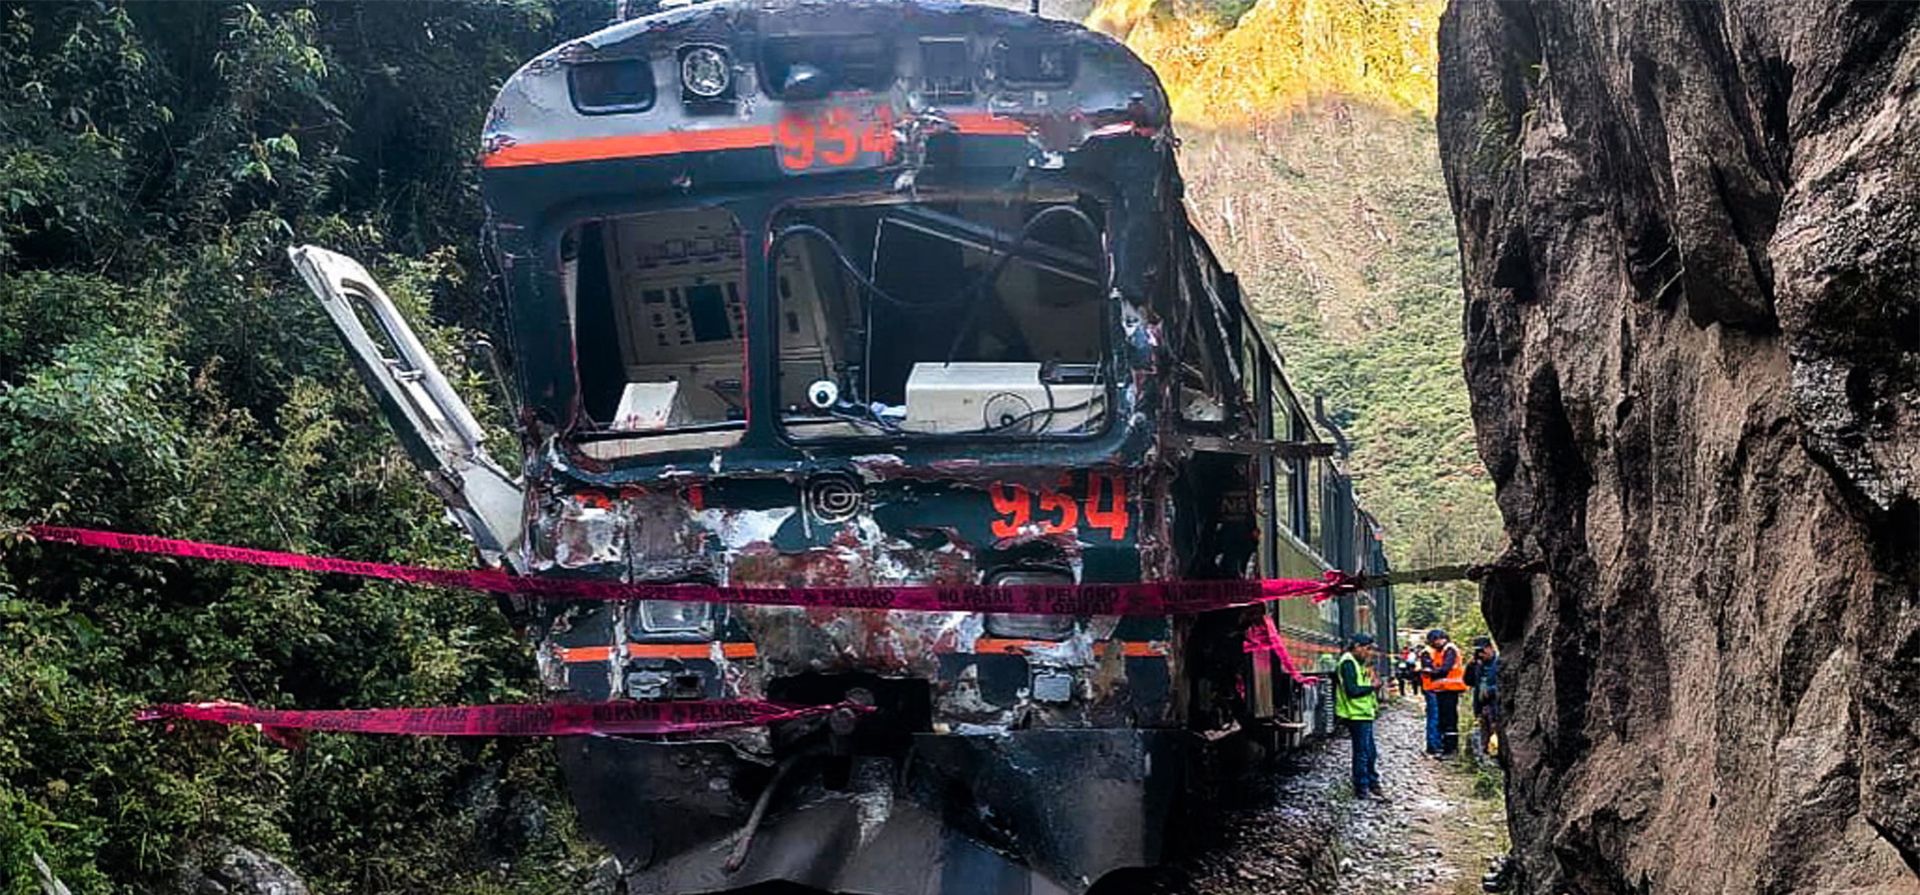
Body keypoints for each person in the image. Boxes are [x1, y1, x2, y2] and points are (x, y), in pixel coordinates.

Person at [1335, 633, 1385, 800]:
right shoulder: (1348, 663)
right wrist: (1372, 687)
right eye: (1367, 648)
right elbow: (1353, 690)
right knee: (1363, 752)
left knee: (1370, 752)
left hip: (1363, 713)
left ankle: (1371, 783)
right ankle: (1362, 787)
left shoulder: (1358, 663)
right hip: (1355, 714)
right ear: (1356, 646)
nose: (1369, 652)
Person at [1419, 628, 1467, 756]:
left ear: (1440, 639)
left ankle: (1450, 749)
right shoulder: (1443, 650)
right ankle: (1447, 748)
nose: (1433, 645)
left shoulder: (1449, 650)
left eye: (1434, 641)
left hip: (1450, 688)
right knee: (1445, 720)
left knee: (1449, 720)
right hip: (1443, 689)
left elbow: (1445, 668)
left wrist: (1432, 672)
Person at [1464, 636, 1500, 759]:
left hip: (1496, 707)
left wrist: (1492, 690)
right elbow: (1469, 682)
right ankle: (1485, 761)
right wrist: (1470, 666)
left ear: (1489, 648)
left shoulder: (1500, 662)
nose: (1480, 655)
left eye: (1482, 652)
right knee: (1484, 737)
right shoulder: (1478, 665)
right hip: (1482, 706)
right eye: (1477, 652)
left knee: (1497, 738)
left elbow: (1507, 684)